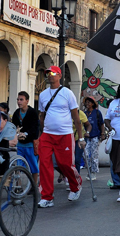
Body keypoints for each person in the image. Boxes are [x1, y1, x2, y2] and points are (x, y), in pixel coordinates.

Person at [38, 66, 85, 208]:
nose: (50, 76)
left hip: (65, 134)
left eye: (53, 73)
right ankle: (47, 197)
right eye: (48, 73)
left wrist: (81, 138)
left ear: (59, 75)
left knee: (65, 164)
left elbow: (76, 118)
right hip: (47, 134)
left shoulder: (67, 93)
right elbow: (42, 115)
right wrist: (41, 134)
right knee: (45, 165)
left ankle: (76, 186)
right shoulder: (43, 95)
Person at [12, 91, 40, 187]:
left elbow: (35, 128)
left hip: (30, 145)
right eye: (18, 99)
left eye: (21, 99)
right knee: (18, 166)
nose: (19, 102)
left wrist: (26, 134)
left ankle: (34, 186)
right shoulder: (16, 113)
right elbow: (14, 127)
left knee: (33, 167)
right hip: (20, 145)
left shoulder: (32, 113)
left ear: (27, 101)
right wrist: (17, 134)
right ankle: (18, 186)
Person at [83, 96, 105, 180]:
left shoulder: (97, 112)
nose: (87, 104)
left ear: (93, 103)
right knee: (85, 155)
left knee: (94, 155)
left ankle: (93, 172)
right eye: (86, 102)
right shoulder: (84, 113)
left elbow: (101, 124)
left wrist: (102, 134)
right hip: (86, 137)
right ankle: (89, 170)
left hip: (95, 136)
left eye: (89, 102)